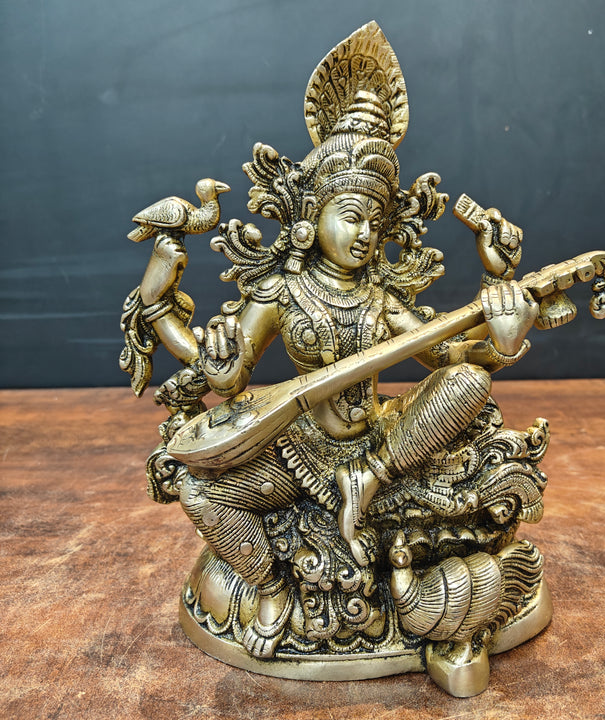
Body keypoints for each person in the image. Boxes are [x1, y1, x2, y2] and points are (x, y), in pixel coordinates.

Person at [135, 32, 538, 660]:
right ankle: (270, 585)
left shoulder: (380, 297)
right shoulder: (281, 291)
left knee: (469, 386)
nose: (365, 232)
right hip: (297, 449)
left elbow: (451, 357)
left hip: (381, 448)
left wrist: (501, 315)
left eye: (375, 221)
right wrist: (215, 358)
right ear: (311, 215)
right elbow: (232, 380)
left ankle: (368, 481)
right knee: (199, 489)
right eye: (351, 214)